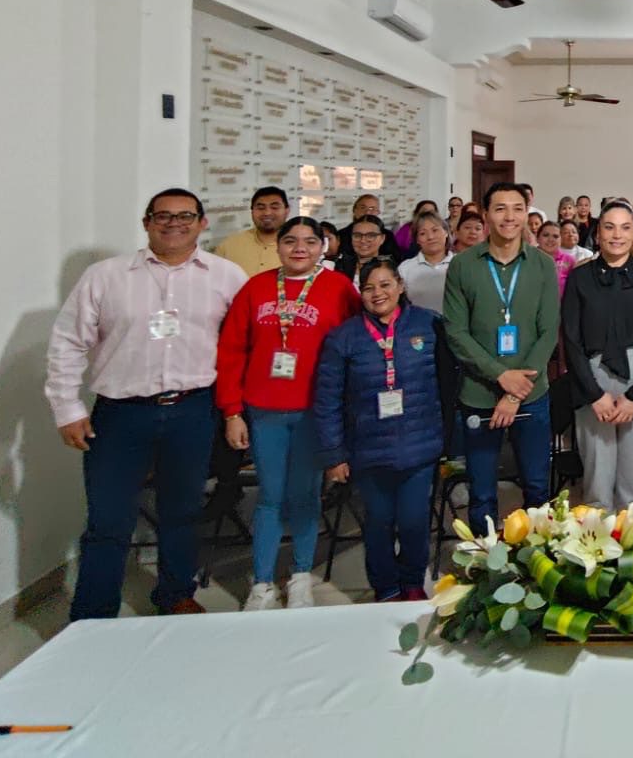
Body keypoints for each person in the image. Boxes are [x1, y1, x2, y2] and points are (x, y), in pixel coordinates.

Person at [45, 189, 245, 620]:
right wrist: (67, 408)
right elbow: (67, 342)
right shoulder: (106, 276)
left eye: (185, 216)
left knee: (183, 511)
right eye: (163, 216)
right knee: (109, 518)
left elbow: (242, 345)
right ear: (147, 222)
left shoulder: (227, 276)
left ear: (202, 223)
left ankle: (175, 594)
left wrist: (235, 410)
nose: (174, 223)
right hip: (121, 414)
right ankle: (93, 614)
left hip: (194, 411)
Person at [217, 216, 361, 609]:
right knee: (269, 495)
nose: (300, 249)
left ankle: (300, 575)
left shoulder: (339, 288)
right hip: (264, 410)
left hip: (315, 411)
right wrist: (232, 412)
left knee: (305, 494)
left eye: (310, 241)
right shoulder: (256, 288)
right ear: (277, 246)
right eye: (291, 241)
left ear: (323, 247)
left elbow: (356, 345)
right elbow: (231, 351)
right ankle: (262, 582)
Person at [314, 257, 443, 601]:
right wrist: (334, 454)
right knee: (378, 522)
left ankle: (412, 582)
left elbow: (448, 382)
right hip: (368, 450)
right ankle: (385, 587)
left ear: (400, 286)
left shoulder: (429, 325)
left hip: (419, 444)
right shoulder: (344, 337)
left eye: (385, 285)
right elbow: (327, 400)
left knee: (414, 521)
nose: (377, 293)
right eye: (369, 288)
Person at [441, 183, 559, 531]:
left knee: (537, 488)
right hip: (479, 395)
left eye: (517, 208)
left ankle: (537, 557)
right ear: (486, 215)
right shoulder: (463, 266)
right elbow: (456, 332)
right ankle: (485, 559)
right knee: (481, 493)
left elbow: (548, 332)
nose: (510, 217)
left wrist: (514, 391)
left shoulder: (542, 265)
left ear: (527, 213)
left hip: (531, 395)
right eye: (500, 208)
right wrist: (501, 376)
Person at [561, 204, 633, 511]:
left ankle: (632, 536)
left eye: (625, 227)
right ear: (598, 233)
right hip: (592, 379)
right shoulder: (580, 278)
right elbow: (571, 339)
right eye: (609, 227)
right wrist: (593, 395)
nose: (617, 235)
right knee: (597, 482)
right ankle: (597, 539)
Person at [215, 186, 289, 276]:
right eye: (260, 208)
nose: (267, 213)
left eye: (274, 207)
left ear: (287, 211)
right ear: (252, 211)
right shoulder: (228, 246)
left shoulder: (298, 249)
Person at [401, 213, 453, 313]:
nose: (430, 237)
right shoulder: (405, 268)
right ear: (417, 240)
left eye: (435, 230)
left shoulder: (460, 263)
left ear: (446, 232)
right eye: (423, 233)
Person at [339, 194, 398, 261]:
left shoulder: (388, 235)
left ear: (378, 212)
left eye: (372, 208)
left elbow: (394, 259)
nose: (367, 212)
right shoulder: (341, 235)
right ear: (354, 210)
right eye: (363, 207)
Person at [335, 213, 389, 288]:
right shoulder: (340, 266)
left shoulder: (390, 268)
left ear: (382, 238)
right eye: (357, 235)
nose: (363, 240)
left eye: (370, 235)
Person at [536, 220, 575, 295]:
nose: (550, 239)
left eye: (555, 236)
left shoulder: (569, 261)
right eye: (546, 235)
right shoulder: (527, 258)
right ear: (537, 238)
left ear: (561, 240)